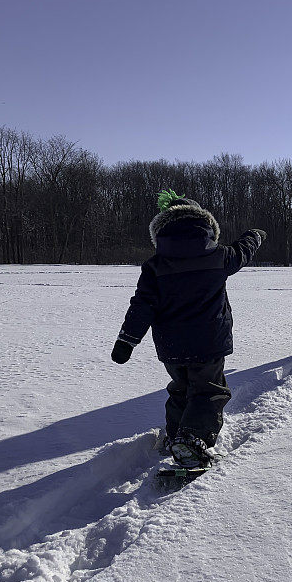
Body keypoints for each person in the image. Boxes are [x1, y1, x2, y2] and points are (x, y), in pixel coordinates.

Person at [111, 189, 265, 469]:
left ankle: (174, 437)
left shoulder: (155, 266)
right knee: (208, 391)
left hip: (171, 345)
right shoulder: (219, 256)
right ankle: (192, 439)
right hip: (209, 342)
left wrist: (127, 340)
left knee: (180, 389)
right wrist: (253, 236)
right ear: (206, 226)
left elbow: (142, 305)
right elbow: (243, 252)